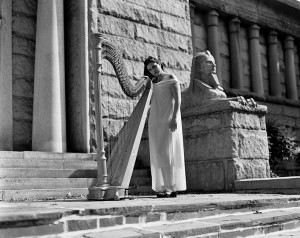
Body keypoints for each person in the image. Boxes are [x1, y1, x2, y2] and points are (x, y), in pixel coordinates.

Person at [144, 56, 186, 198]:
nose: (153, 70)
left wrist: (174, 118)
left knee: (167, 152)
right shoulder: (151, 82)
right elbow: (149, 102)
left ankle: (171, 186)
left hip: (168, 119)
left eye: (154, 66)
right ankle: (163, 186)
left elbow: (178, 100)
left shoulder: (170, 77)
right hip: (155, 120)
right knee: (159, 152)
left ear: (160, 63)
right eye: (150, 69)